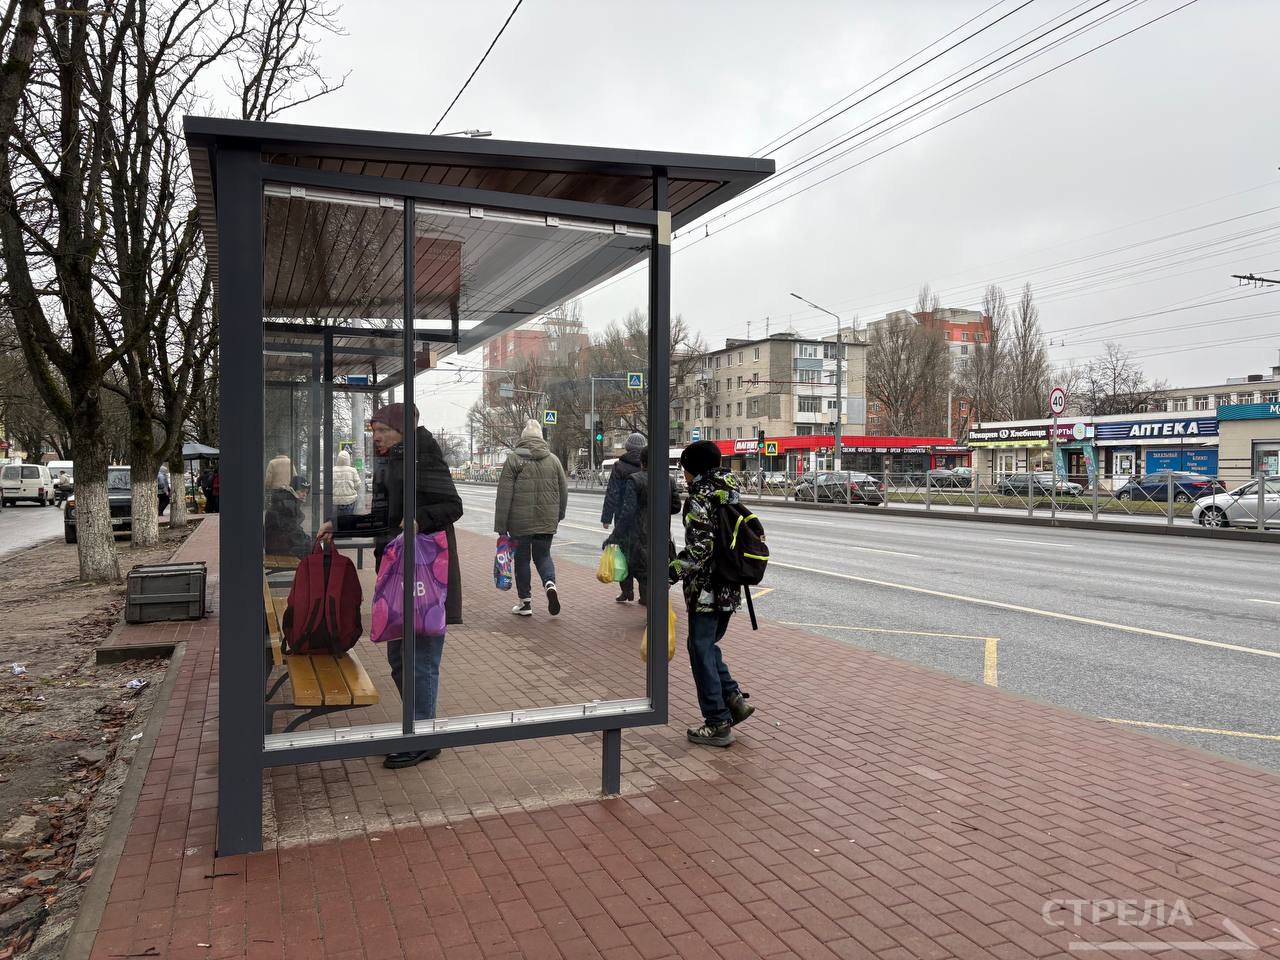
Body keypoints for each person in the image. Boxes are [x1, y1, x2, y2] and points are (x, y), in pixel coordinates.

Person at [318, 402, 463, 769]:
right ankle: (417, 726)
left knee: (421, 659)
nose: (376, 436)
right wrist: (340, 525)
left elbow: (451, 505)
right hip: (399, 572)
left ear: (400, 430)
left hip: (425, 575)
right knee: (400, 659)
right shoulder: (392, 461)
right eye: (374, 430)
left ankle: (424, 737)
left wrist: (418, 520)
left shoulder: (422, 457)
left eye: (382, 430)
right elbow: (381, 519)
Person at [670, 440, 754, 748]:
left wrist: (670, 572)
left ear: (694, 469)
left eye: (685, 469)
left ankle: (717, 722)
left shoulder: (699, 498)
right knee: (706, 646)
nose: (684, 476)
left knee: (700, 650)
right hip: (730, 585)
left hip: (706, 589)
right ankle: (733, 699)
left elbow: (699, 549)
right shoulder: (729, 490)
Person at [494, 420, 568, 618]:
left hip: (520, 523)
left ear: (523, 438)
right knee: (543, 556)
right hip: (546, 521)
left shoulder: (514, 459)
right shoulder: (553, 460)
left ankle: (525, 603)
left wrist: (501, 526)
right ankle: (549, 584)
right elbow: (563, 491)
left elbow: (504, 495)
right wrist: (558, 515)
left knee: (523, 559)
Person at [610, 446, 680, 607]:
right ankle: (649, 602)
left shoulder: (634, 479)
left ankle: (645, 604)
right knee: (655, 570)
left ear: (642, 462)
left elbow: (627, 510)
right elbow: (676, 507)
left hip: (639, 534)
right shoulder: (669, 479)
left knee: (640, 569)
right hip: (662, 535)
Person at [601, 432, 645, 602]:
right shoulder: (647, 465)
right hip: (643, 519)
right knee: (641, 555)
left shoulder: (619, 466)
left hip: (622, 518)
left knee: (623, 554)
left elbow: (612, 493)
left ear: (627, 447)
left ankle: (627, 591)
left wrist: (606, 517)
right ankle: (645, 595)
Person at [263, 455, 312, 559]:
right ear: (293, 490)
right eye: (302, 491)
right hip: (281, 549)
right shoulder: (287, 506)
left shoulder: (284, 501)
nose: (304, 495)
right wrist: (310, 542)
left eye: (306, 492)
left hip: (276, 546)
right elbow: (293, 532)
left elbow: (268, 480)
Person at [332, 450, 361, 516]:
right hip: (349, 501)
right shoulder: (353, 470)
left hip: (335, 501)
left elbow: (328, 485)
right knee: (347, 521)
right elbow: (358, 485)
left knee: (335, 522)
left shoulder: (333, 470)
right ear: (348, 459)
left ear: (338, 459)